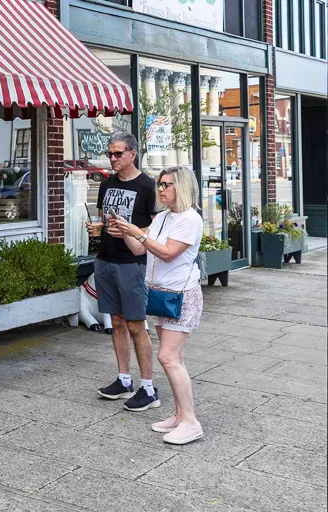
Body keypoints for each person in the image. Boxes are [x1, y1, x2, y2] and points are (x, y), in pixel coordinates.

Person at [110, 166, 205, 445]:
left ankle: (191, 421)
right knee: (175, 359)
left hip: (181, 296)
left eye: (167, 185)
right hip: (162, 295)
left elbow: (166, 253)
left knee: (167, 357)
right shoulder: (163, 217)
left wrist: (137, 233)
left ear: (182, 188)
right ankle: (178, 416)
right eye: (160, 184)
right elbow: (141, 249)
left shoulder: (190, 219)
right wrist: (125, 230)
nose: (161, 189)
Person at [86, 132, 159, 412]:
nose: (113, 159)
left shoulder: (147, 186)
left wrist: (133, 231)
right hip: (105, 260)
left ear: (133, 154)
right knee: (116, 321)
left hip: (133, 264)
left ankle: (149, 388)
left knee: (136, 325)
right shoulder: (106, 185)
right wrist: (97, 229)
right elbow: (104, 220)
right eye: (110, 154)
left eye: (118, 154)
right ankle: (124, 378)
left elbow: (156, 230)